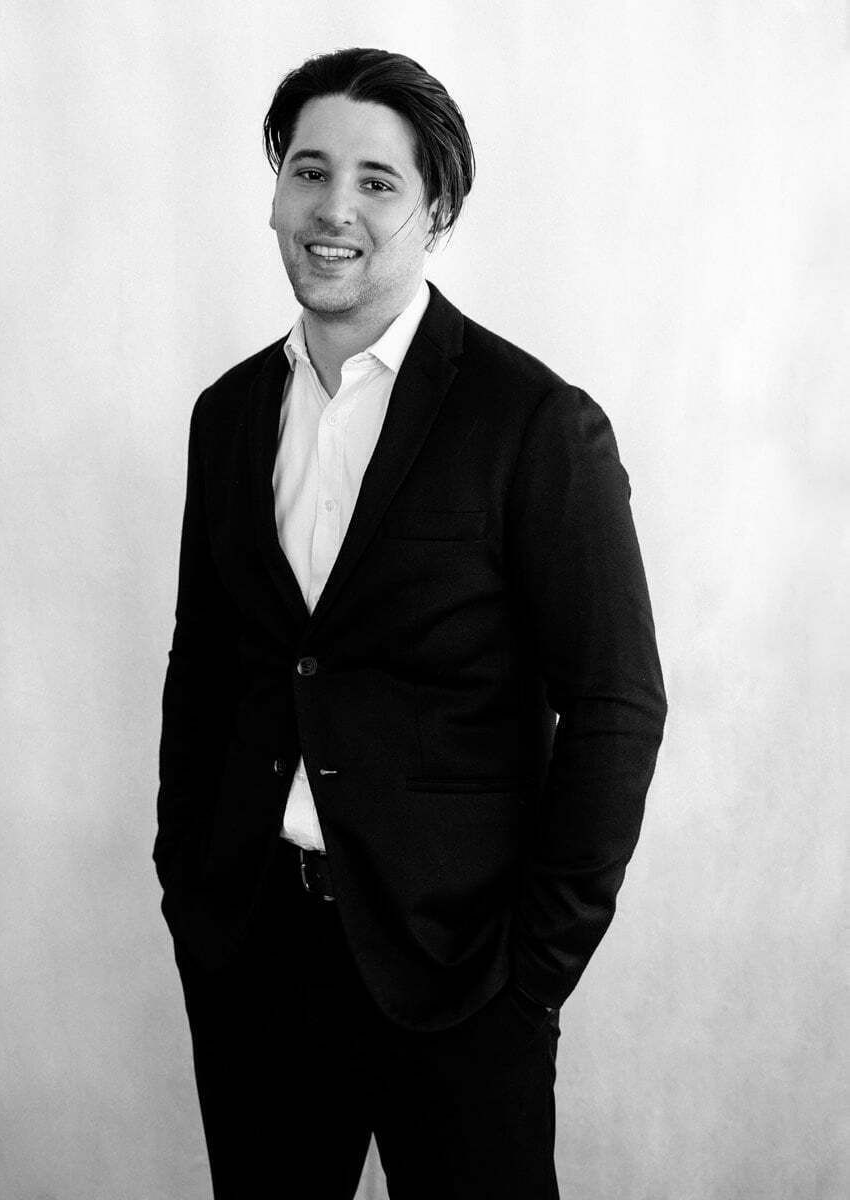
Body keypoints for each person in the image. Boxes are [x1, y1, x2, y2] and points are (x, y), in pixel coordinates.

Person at [153, 46, 667, 1200]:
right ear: (275, 195)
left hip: (463, 974)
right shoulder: (227, 417)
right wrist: (192, 887)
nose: (334, 209)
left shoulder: (534, 424)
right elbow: (206, 666)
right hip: (257, 960)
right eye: (309, 171)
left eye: (377, 181)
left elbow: (617, 704)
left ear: (437, 211)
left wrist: (532, 973)